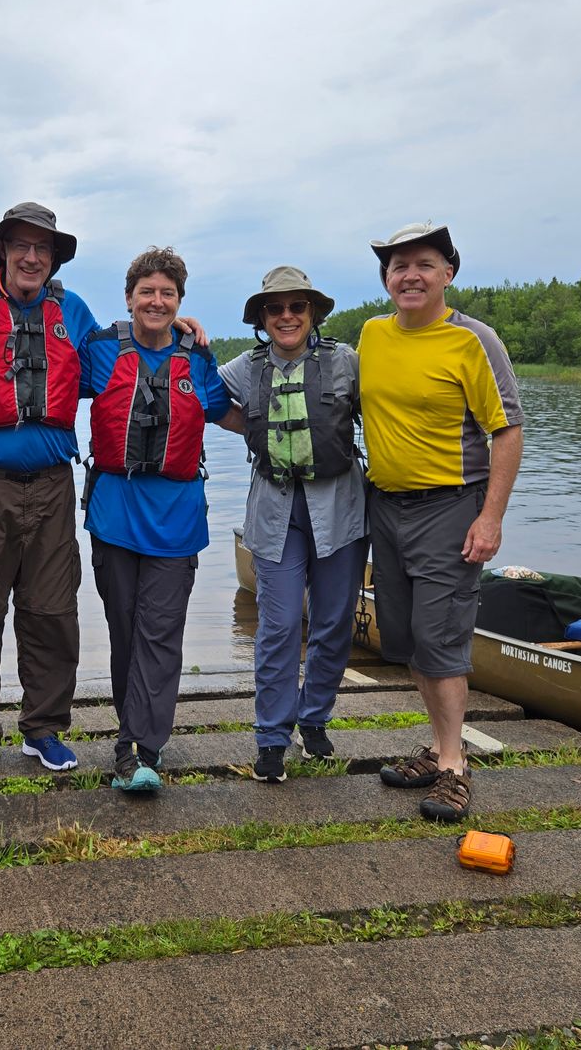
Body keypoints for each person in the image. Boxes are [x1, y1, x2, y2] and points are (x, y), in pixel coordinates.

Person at [360, 222, 523, 822]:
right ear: (386, 278)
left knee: (442, 639)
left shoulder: (474, 339)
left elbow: (507, 429)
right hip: (386, 507)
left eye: (424, 264)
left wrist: (490, 518)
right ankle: (436, 747)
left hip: (450, 508)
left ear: (448, 273)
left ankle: (455, 765)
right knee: (407, 637)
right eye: (398, 266)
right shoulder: (372, 335)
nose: (410, 276)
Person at [0, 203, 96, 779]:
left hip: (53, 486)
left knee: (52, 610)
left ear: (54, 258)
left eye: (43, 248)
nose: (32, 257)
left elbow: (124, 357)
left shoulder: (73, 311)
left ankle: (43, 727)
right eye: (21, 245)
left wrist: (179, 330)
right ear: (1, 251)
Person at [81, 248, 239, 791]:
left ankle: (140, 749)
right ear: (129, 298)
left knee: (161, 632)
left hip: (176, 521)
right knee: (125, 631)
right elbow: (51, 379)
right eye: (146, 291)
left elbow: (227, 413)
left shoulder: (198, 358)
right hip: (114, 517)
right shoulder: (101, 350)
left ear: (179, 301)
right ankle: (133, 733)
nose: (156, 301)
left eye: (167, 293)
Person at [219, 267, 368, 784]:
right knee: (279, 625)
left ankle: (315, 717)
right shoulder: (245, 367)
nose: (286, 316)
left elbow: (386, 413)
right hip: (274, 512)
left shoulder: (347, 361)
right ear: (261, 318)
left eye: (297, 306)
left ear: (312, 313)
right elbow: (199, 390)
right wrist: (246, 424)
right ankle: (271, 737)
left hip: (340, 509)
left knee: (332, 623)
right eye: (275, 308)